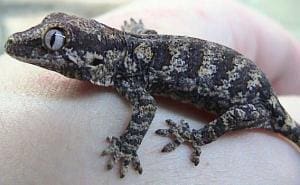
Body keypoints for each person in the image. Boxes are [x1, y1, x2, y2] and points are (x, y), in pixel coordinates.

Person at [0, 0, 299, 184]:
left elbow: (146, 108)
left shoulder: (127, 70)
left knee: (231, 118)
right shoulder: (128, 58)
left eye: (53, 41)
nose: (32, 44)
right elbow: (148, 44)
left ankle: (197, 137)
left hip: (256, 106)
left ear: (94, 58)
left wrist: (129, 147)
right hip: (254, 84)